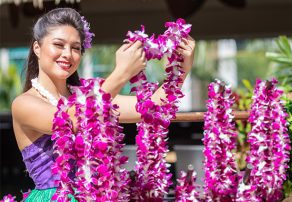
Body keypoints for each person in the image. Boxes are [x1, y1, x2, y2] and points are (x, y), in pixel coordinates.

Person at [11, 7, 195, 201]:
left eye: (76, 48)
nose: (68, 54)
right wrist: (121, 73)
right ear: (37, 48)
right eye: (59, 44)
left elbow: (152, 107)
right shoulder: (24, 104)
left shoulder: (92, 93)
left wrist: (181, 69)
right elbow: (69, 121)